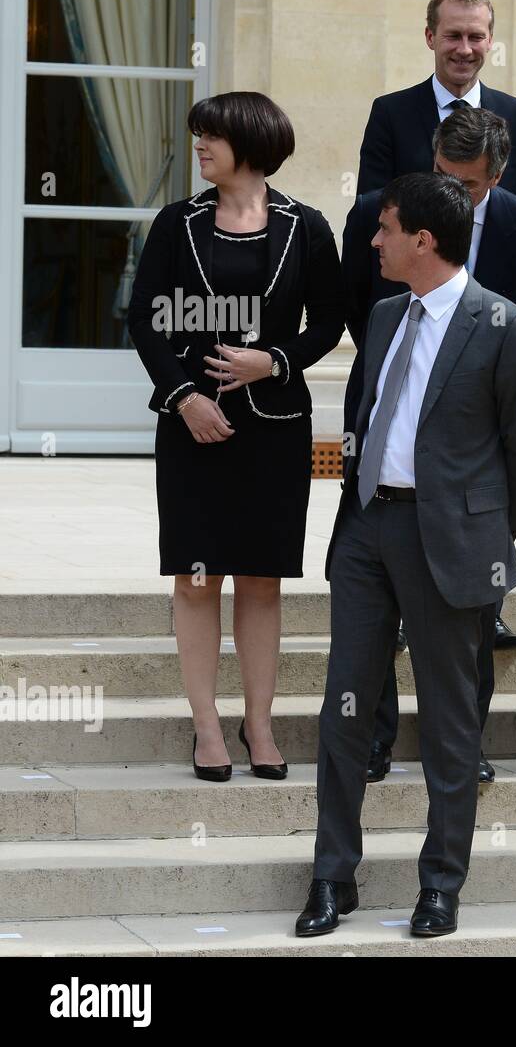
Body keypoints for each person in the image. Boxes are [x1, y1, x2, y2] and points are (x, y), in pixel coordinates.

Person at [296, 172, 516, 939]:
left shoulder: (506, 325)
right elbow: (366, 418)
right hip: (368, 533)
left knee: (448, 727)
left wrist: (478, 531)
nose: (373, 241)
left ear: (424, 241)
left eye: (385, 228)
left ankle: (440, 885)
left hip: (449, 545)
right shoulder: (379, 316)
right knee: (344, 710)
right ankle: (331, 877)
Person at [126, 91, 344, 784]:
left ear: (249, 143)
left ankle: (258, 722)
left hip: (275, 429)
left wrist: (272, 361)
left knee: (261, 578)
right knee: (196, 580)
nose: (199, 146)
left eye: (210, 136)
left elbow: (328, 322)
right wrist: (183, 396)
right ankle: (207, 727)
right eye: (199, 136)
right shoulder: (176, 223)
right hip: (192, 429)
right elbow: (146, 321)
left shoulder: (305, 227)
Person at [343, 107, 516, 785]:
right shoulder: (384, 218)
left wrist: (493, 511)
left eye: (464, 186)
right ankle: (372, 741)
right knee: (367, 633)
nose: (449, 191)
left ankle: (465, 746)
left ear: (495, 178)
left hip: (474, 450)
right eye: (441, 174)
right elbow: (364, 304)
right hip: (389, 420)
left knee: (470, 627)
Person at [356, 0, 516, 213]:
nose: (465, 49)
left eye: (476, 37)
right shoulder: (390, 113)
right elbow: (370, 209)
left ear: (490, 41)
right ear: (430, 37)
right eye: (454, 36)